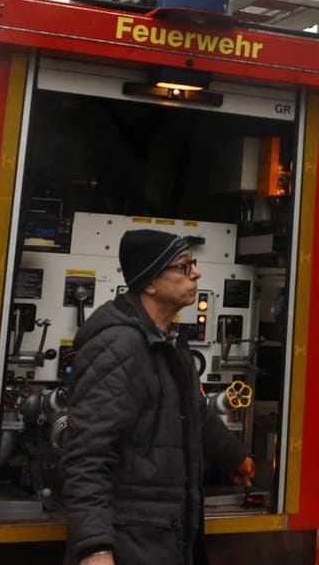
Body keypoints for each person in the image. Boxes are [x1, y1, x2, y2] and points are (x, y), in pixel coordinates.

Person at [65, 230, 254, 565]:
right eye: (183, 267)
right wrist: (94, 548)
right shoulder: (118, 347)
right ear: (150, 283)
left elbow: (194, 413)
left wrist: (235, 457)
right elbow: (87, 457)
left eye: (192, 264)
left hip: (164, 534)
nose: (196, 273)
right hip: (132, 540)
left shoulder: (166, 341)